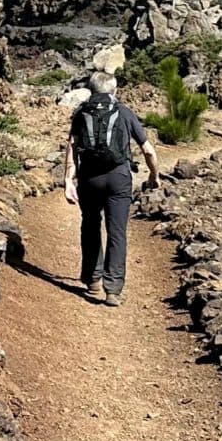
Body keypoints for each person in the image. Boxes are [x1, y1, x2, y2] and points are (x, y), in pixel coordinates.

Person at [61, 69, 159, 304]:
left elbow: (72, 146)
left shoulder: (81, 112)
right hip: (118, 178)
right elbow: (148, 150)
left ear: (91, 90)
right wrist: (154, 175)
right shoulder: (124, 112)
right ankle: (113, 290)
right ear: (115, 90)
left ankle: (92, 279)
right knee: (117, 232)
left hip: (89, 179)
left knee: (90, 225)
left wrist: (68, 180)